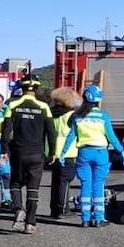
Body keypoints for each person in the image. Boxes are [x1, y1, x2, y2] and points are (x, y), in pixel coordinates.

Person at [59, 85, 124, 227]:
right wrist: (121, 151)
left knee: (85, 185)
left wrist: (63, 153)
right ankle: (98, 218)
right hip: (100, 153)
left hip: (83, 153)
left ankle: (85, 219)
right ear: (98, 100)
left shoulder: (77, 117)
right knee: (98, 185)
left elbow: (71, 136)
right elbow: (111, 137)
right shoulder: (103, 116)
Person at [0, 74, 57, 234]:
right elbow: (52, 133)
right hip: (37, 153)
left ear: (21, 87)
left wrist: (4, 150)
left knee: (15, 183)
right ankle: (30, 224)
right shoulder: (44, 106)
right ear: (37, 88)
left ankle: (18, 209)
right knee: (33, 189)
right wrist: (52, 152)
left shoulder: (11, 105)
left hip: (18, 151)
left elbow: (6, 131)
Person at [48, 86, 81, 218]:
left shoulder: (51, 113)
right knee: (65, 181)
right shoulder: (71, 115)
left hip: (53, 152)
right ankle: (63, 209)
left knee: (56, 181)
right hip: (67, 153)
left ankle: (54, 209)